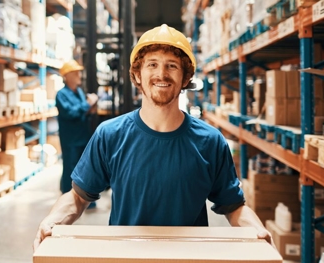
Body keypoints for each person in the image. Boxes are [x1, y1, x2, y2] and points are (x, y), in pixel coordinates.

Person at [34, 24, 272, 250]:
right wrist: (52, 220)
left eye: (172, 66)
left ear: (186, 78)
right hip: (127, 262)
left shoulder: (210, 141)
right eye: (152, 65)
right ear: (137, 75)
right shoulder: (110, 135)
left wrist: (257, 231)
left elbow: (233, 206)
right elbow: (78, 197)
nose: (161, 74)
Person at [55, 60, 99, 207]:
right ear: (67, 76)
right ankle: (68, 202)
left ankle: (87, 201)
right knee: (70, 168)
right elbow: (71, 113)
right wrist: (87, 104)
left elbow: (82, 112)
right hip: (71, 139)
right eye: (76, 73)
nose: (79, 75)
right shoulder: (61, 95)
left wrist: (91, 109)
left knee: (85, 169)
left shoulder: (79, 92)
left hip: (83, 136)